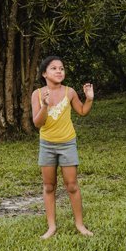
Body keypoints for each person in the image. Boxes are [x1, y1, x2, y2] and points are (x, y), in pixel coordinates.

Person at [31, 56, 94, 239]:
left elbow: (82, 111)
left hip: (68, 144)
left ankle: (80, 225)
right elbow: (37, 123)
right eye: (54, 68)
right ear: (44, 73)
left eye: (61, 68)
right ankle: (51, 227)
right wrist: (44, 106)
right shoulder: (38, 94)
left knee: (72, 185)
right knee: (49, 186)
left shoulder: (70, 92)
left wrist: (89, 99)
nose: (59, 71)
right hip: (47, 146)